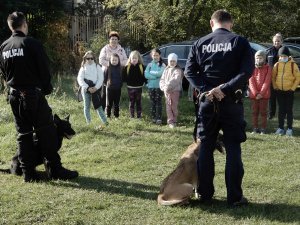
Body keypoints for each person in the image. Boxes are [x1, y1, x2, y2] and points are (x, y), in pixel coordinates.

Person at [185, 9, 254, 206]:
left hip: (207, 102)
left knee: (206, 147)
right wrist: (225, 88)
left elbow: (189, 72)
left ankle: (205, 195)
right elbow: (247, 71)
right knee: (233, 148)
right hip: (232, 101)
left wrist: (208, 90)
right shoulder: (239, 41)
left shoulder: (200, 43)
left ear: (211, 23)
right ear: (230, 23)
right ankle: (235, 197)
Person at [0, 12, 78, 182]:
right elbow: (44, 70)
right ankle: (55, 170)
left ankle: (28, 173)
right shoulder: (32, 43)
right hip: (33, 95)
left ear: (10, 26)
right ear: (25, 25)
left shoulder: (4, 47)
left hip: (14, 96)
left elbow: (5, 74)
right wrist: (46, 89)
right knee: (47, 131)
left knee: (23, 134)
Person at [272, 46, 300, 136]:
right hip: (279, 90)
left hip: (289, 91)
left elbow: (297, 77)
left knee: (289, 110)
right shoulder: (277, 65)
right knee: (281, 110)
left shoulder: (293, 65)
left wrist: (292, 88)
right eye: (280, 56)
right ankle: (280, 128)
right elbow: (273, 77)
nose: (282, 58)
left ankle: (289, 128)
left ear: (288, 56)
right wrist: (275, 86)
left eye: (284, 56)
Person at [77, 50, 108, 127]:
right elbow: (80, 79)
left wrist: (96, 87)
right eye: (88, 58)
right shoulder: (83, 67)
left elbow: (101, 78)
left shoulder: (97, 67)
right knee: (86, 106)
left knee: (99, 106)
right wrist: (87, 88)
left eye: (91, 58)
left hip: (95, 89)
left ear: (94, 58)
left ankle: (105, 122)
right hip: (86, 90)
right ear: (85, 59)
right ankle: (89, 123)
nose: (90, 60)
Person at [99, 31, 128, 110]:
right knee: (106, 90)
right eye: (112, 39)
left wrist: (117, 64)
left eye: (115, 39)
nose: (114, 41)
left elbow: (126, 60)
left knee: (116, 91)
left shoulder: (121, 49)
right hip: (107, 72)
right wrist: (111, 65)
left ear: (118, 40)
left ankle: (115, 107)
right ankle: (104, 108)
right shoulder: (105, 49)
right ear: (109, 40)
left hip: (118, 73)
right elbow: (101, 60)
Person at [248, 50, 272, 134]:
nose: (258, 60)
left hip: (264, 95)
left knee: (263, 112)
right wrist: (256, 93)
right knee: (254, 112)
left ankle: (263, 128)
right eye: (257, 58)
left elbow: (267, 81)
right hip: (254, 95)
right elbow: (251, 81)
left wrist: (261, 94)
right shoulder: (252, 68)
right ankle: (255, 128)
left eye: (260, 58)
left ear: (264, 59)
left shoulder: (268, 68)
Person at [159, 53, 183, 128]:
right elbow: (162, 80)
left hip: (174, 91)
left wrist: (167, 87)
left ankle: (174, 120)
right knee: (168, 106)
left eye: (174, 61)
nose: (172, 63)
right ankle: (170, 121)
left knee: (173, 106)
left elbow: (175, 80)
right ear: (168, 62)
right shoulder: (166, 70)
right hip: (166, 92)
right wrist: (163, 87)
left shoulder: (178, 70)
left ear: (176, 62)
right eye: (170, 61)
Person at [144, 48, 166, 124]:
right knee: (152, 102)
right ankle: (153, 117)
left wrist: (151, 73)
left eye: (157, 55)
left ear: (160, 55)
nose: (155, 57)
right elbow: (146, 75)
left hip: (159, 87)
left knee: (158, 103)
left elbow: (160, 74)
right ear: (151, 56)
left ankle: (159, 118)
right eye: (154, 55)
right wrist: (154, 76)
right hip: (150, 87)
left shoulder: (162, 65)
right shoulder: (149, 65)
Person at [123, 50, 146, 119]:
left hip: (139, 87)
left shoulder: (141, 66)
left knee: (138, 102)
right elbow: (124, 76)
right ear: (130, 58)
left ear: (138, 58)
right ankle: (131, 116)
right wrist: (125, 82)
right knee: (131, 102)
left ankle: (139, 116)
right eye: (133, 58)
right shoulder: (127, 67)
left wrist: (145, 82)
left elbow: (144, 76)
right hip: (130, 87)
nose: (134, 59)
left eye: (135, 58)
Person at [266, 33, 283, 120]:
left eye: (278, 41)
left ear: (281, 42)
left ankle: (282, 114)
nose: (277, 43)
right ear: (273, 42)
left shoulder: (284, 50)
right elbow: (265, 64)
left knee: (281, 97)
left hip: (281, 77)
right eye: (275, 41)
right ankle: (271, 114)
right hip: (271, 77)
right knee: (271, 97)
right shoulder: (268, 51)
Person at [103, 53, 123, 118]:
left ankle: (116, 116)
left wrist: (120, 84)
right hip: (109, 88)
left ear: (118, 61)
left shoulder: (121, 68)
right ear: (110, 60)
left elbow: (122, 78)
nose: (114, 61)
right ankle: (108, 115)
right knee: (109, 103)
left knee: (116, 103)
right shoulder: (108, 68)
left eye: (116, 60)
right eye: (113, 60)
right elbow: (105, 77)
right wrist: (106, 84)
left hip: (118, 89)